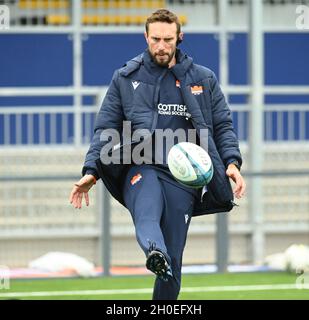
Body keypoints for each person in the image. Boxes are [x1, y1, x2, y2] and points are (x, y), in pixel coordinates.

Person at [69, 9, 246, 300]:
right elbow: (105, 128)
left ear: (179, 37)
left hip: (184, 178)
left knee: (174, 262)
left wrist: (232, 163)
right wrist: (91, 170)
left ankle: (162, 260)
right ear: (146, 37)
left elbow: (223, 126)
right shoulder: (126, 78)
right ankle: (154, 251)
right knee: (147, 214)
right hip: (142, 165)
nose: (161, 46)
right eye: (155, 39)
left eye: (167, 39)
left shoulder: (203, 79)